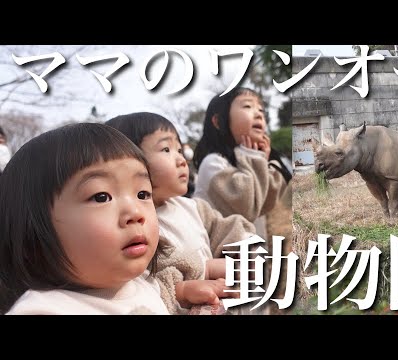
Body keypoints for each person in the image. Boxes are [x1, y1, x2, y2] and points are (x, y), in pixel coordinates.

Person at [0, 123, 231, 315]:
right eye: (101, 197)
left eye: (143, 194)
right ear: (33, 234)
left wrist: (182, 292)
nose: (136, 213)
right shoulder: (46, 310)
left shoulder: (143, 284)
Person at [105, 112, 256, 267]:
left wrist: (246, 243)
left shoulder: (193, 208)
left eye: (179, 150)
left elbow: (226, 228)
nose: (182, 160)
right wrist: (202, 274)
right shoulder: (135, 227)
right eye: (165, 149)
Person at [192, 87, 292, 241]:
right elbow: (247, 208)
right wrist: (253, 158)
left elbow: (265, 202)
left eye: (261, 110)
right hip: (220, 260)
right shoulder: (213, 163)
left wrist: (263, 162)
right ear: (218, 122)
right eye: (247, 106)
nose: (258, 114)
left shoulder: (246, 161)